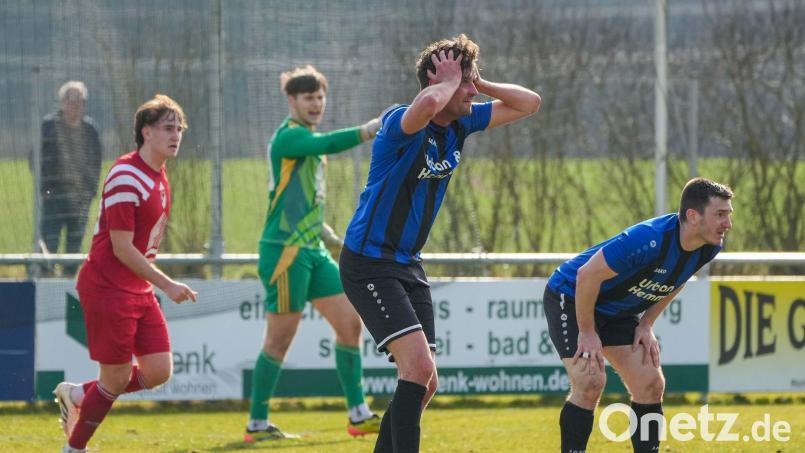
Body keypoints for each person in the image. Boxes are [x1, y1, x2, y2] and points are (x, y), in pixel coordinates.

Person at [339, 34, 541, 452]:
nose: (468, 90)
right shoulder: (401, 122)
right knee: (416, 369)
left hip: (408, 263)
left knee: (426, 381)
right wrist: (448, 82)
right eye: (461, 81)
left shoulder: (462, 122)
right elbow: (427, 106)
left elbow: (529, 103)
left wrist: (478, 84)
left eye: (470, 81)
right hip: (368, 261)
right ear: (438, 81)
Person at [542, 177, 734, 453]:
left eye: (728, 215)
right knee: (590, 381)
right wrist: (587, 332)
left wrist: (646, 323)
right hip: (571, 297)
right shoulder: (648, 239)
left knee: (651, 383)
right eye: (720, 214)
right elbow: (587, 276)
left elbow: (677, 279)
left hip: (618, 311)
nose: (727, 223)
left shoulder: (708, 246)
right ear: (693, 216)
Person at [244, 65, 383, 442]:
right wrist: (368, 130)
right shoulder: (289, 138)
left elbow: (296, 202)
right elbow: (325, 144)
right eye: (308, 97)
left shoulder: (307, 142)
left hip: (313, 249)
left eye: (320, 97)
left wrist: (329, 236)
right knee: (280, 339)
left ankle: (357, 414)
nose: (316, 103)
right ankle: (257, 424)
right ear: (292, 101)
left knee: (351, 324)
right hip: (285, 251)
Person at [53, 94, 198, 453]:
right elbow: (121, 248)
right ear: (145, 132)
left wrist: (154, 285)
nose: (175, 134)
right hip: (108, 288)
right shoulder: (126, 174)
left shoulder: (160, 176)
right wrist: (166, 283)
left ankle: (76, 394)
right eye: (167, 127)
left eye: (179, 128)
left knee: (159, 371)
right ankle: (74, 448)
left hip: (137, 289)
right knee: (115, 379)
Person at [39, 81, 103, 276]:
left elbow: (96, 161)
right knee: (49, 240)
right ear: (62, 102)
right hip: (54, 196)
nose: (74, 104)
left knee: (75, 245)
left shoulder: (90, 129)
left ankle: (69, 281)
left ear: (84, 104)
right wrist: (46, 190)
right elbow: (37, 159)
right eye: (70, 99)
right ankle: (45, 278)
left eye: (79, 100)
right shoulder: (49, 126)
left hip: (80, 198)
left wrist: (90, 191)